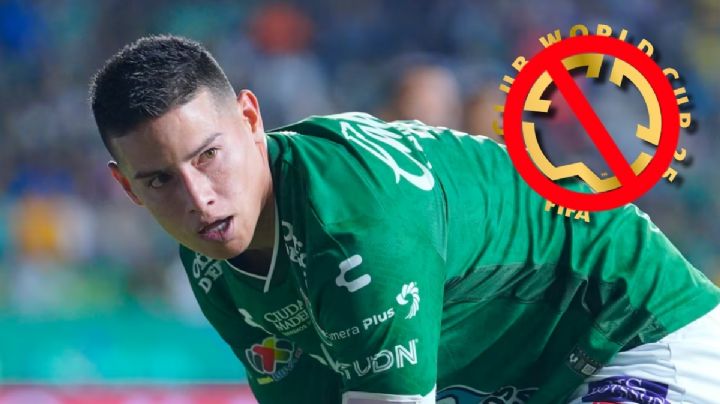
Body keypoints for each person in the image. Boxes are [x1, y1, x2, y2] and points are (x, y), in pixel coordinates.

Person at [88, 35, 720, 404]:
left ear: (251, 119)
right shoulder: (211, 259)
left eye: (208, 156)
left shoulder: (354, 221)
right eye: (160, 179)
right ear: (126, 187)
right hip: (529, 379)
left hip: (632, 332)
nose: (198, 198)